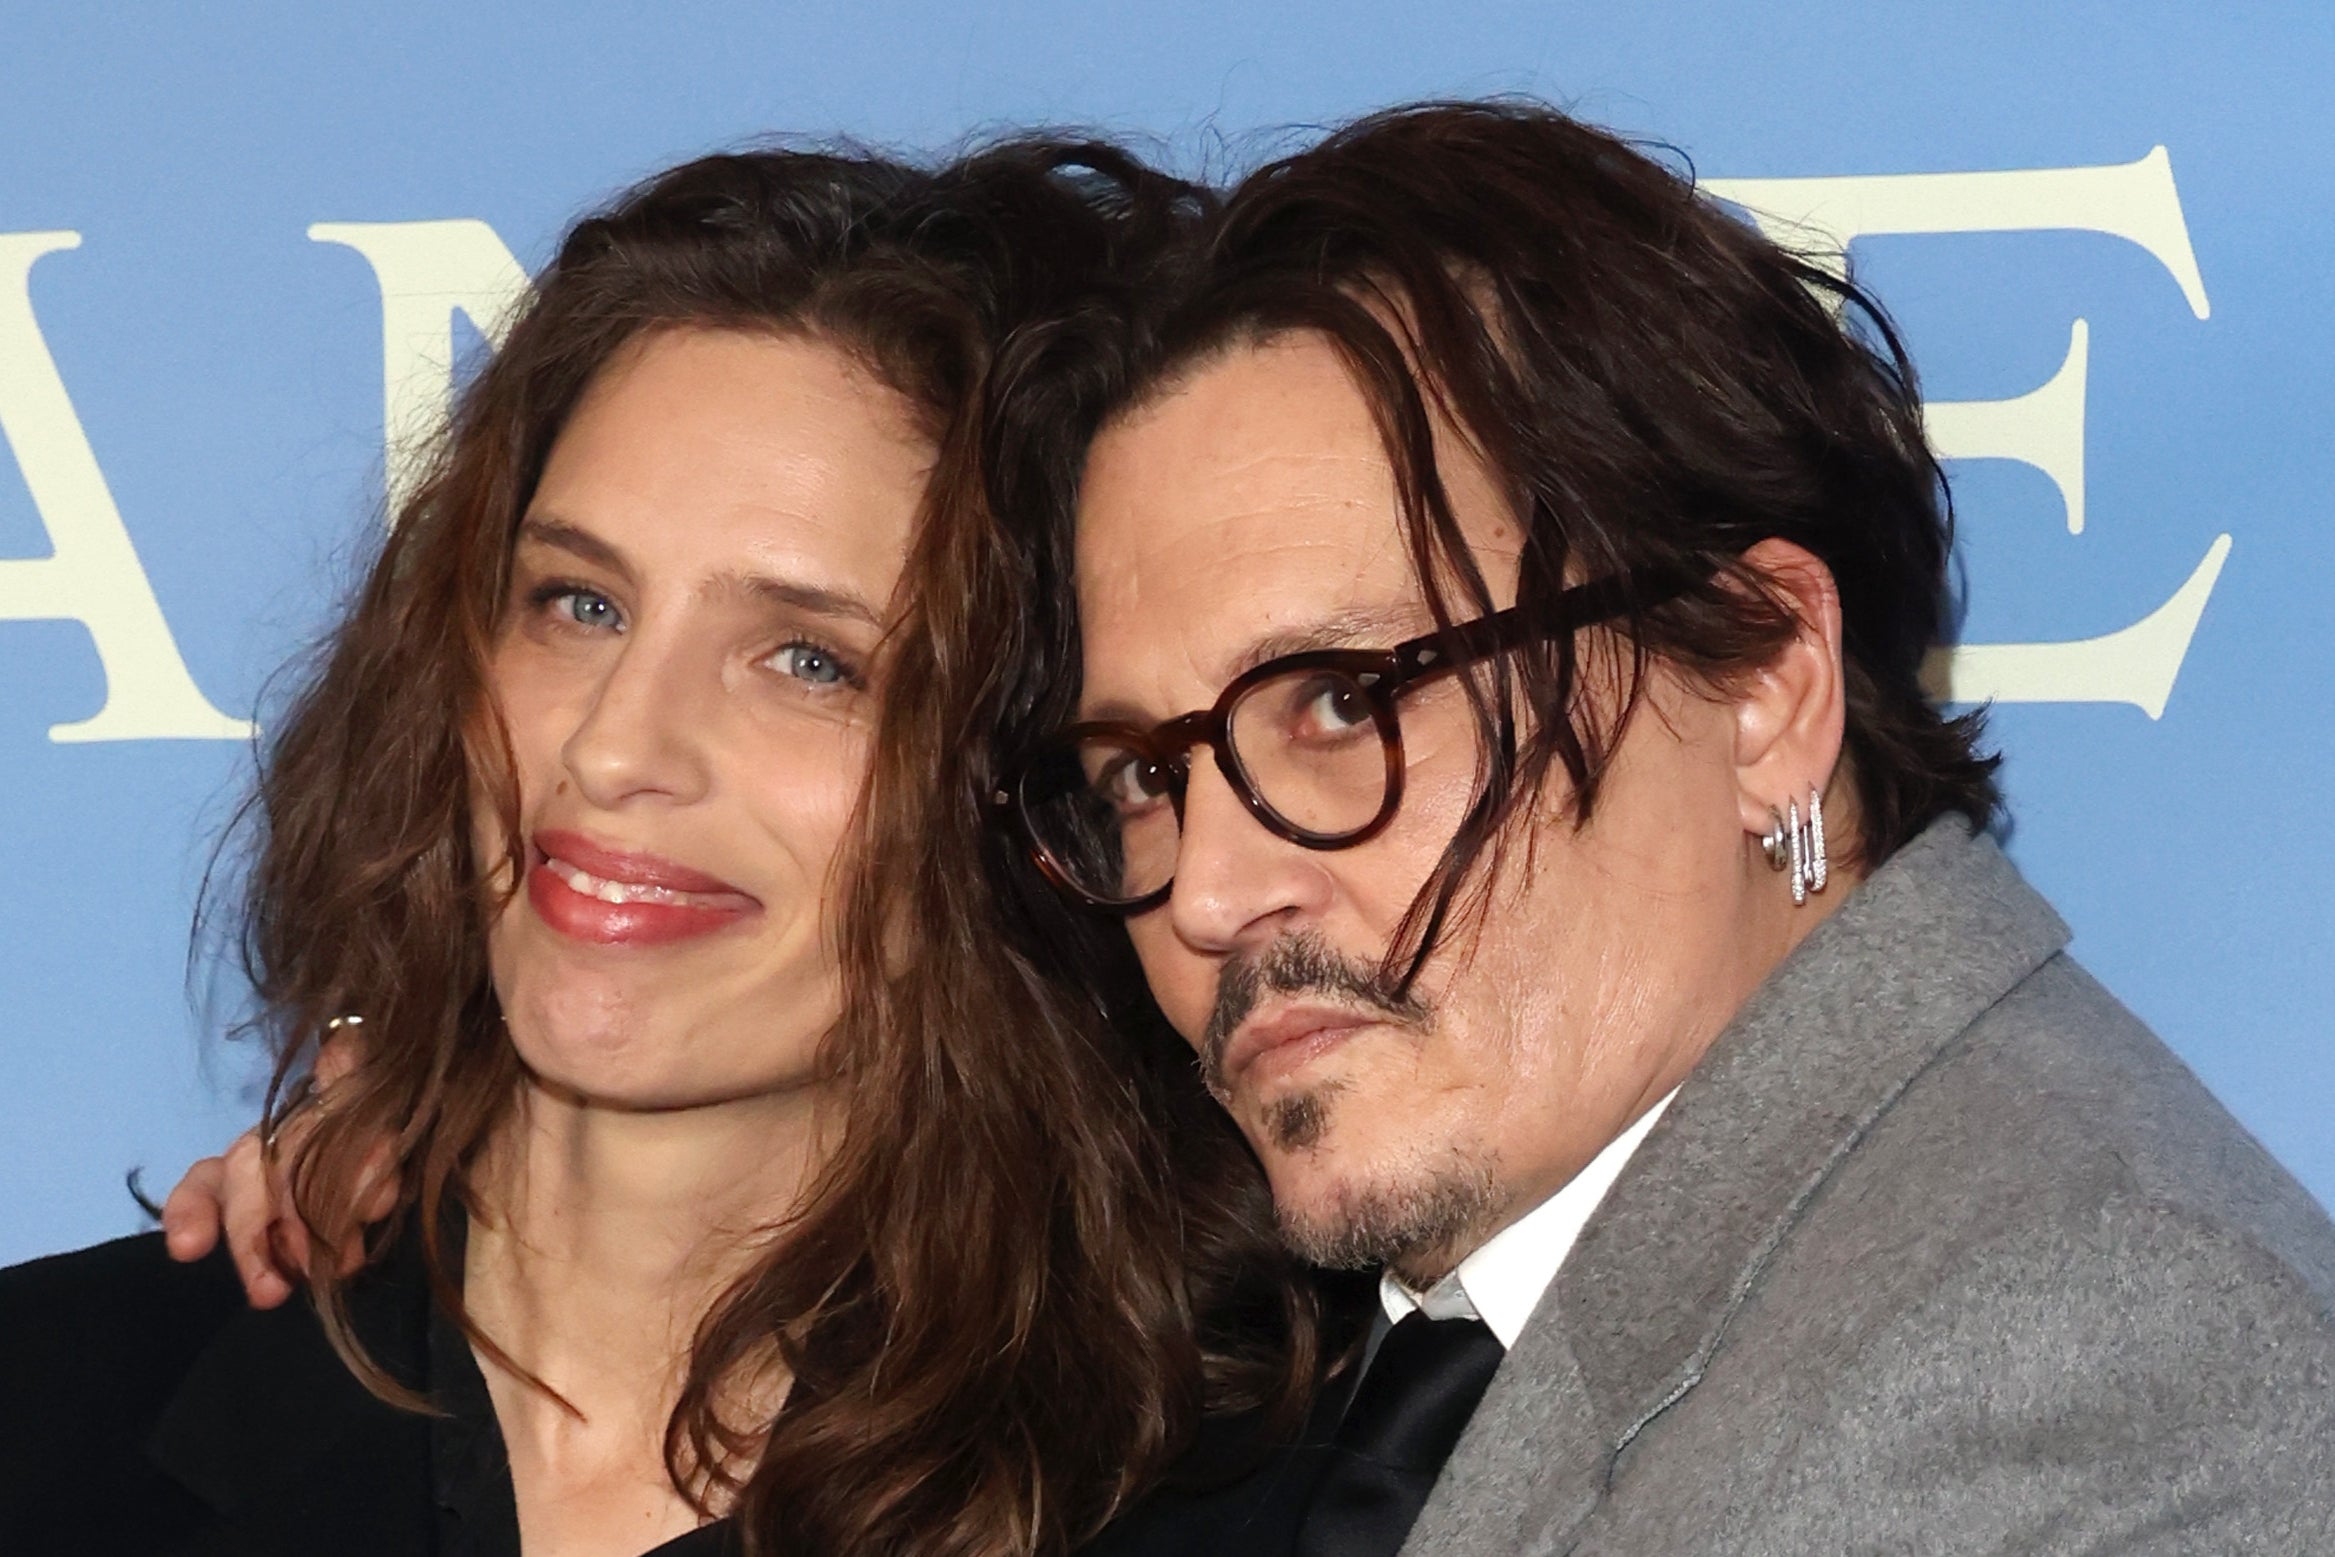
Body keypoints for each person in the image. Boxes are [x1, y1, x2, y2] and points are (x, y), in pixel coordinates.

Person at [977, 102, 2335, 1552]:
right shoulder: (1304, 1379)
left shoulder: (2079, 1352)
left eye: (1340, 702)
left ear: (1761, 684)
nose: (1212, 894)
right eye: (1140, 776)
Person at [0, 140, 1331, 1557]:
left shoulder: (1261, 1498)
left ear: (1045, 779)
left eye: (811, 660)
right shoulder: (51, 1406)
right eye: (579, 604)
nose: (616, 749)